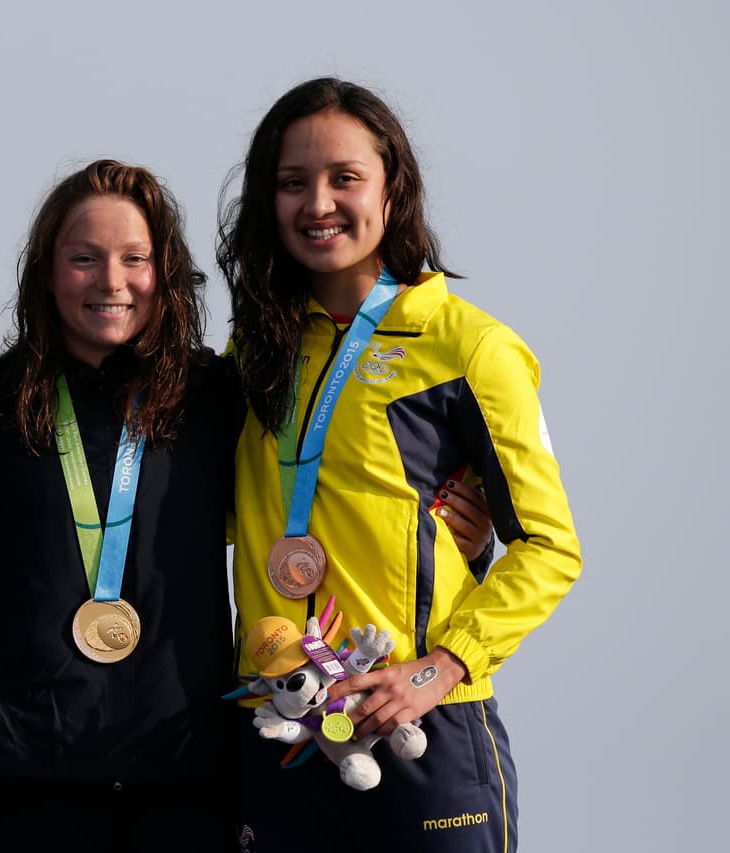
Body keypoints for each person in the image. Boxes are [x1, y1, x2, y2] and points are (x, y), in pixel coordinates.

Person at [219, 77, 581, 851]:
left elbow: (551, 548)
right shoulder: (253, 350)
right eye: (292, 182)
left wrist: (439, 668)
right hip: (279, 727)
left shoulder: (467, 346)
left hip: (428, 728)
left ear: (393, 190)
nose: (318, 203)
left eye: (345, 178)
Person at [0, 160, 243, 852]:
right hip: (31, 781)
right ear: (46, 273)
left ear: (164, 273)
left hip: (187, 778)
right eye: (84, 259)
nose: (112, 282)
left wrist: (454, 527)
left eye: (135, 258)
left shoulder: (216, 397)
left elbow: (320, 509)